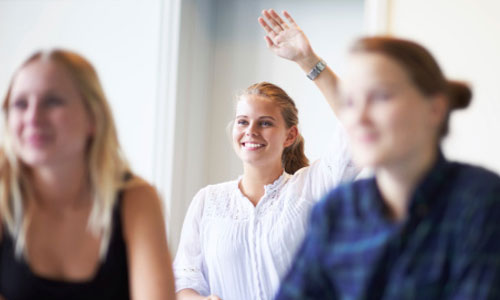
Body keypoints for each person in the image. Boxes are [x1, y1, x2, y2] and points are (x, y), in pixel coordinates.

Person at [275, 36, 500, 299]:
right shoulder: (336, 211)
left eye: (380, 97)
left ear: (435, 109)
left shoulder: (481, 201)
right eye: (350, 102)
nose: (358, 117)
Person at [173, 10, 358, 300]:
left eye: (266, 123)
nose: (251, 131)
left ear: (290, 136)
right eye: (243, 121)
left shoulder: (311, 188)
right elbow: (184, 279)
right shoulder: (207, 202)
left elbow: (356, 124)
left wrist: (308, 61)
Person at [0, 50, 175, 299]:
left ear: (92, 117)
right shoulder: (3, 191)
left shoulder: (137, 200)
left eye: (52, 101)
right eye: (20, 104)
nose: (32, 117)